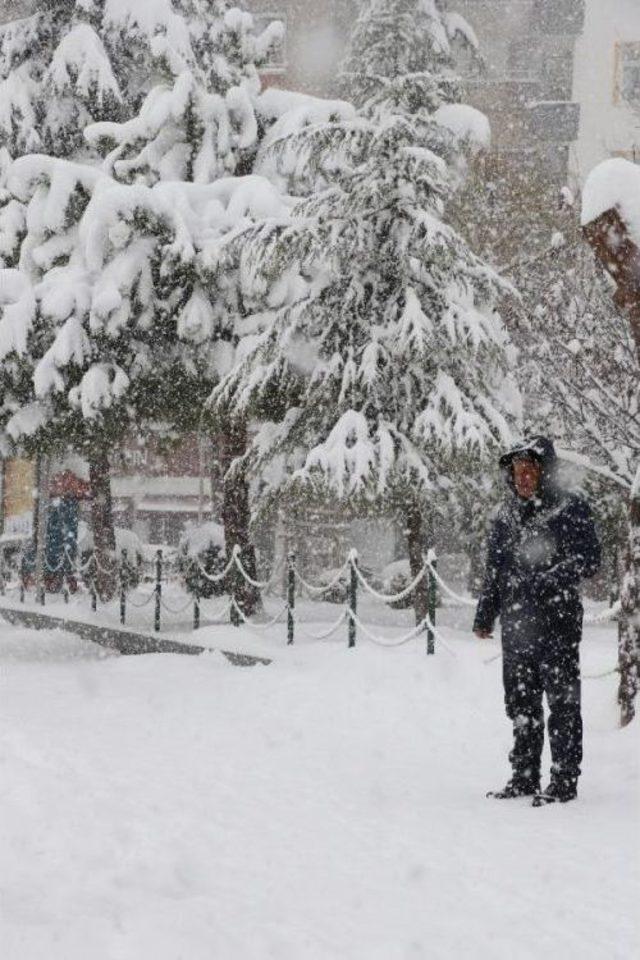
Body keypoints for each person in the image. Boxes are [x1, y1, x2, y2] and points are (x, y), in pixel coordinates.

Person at [473, 436, 601, 806]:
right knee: (521, 705)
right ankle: (524, 775)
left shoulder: (570, 508)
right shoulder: (506, 516)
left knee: (562, 707)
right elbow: (495, 570)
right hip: (516, 629)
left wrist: (551, 578)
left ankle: (563, 781)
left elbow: (590, 559)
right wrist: (486, 613)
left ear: (544, 472)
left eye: (530, 469)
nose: (523, 477)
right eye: (517, 471)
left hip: (557, 624)